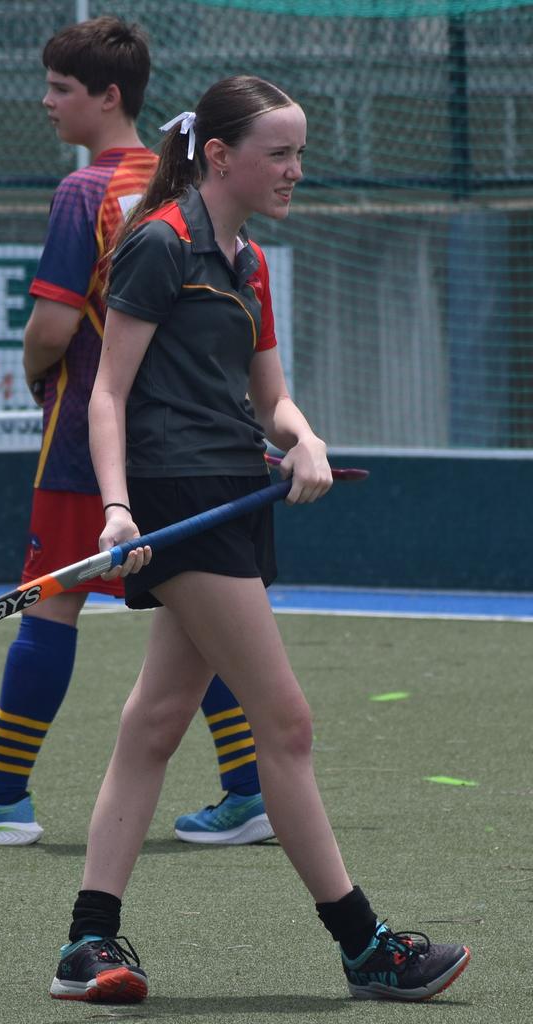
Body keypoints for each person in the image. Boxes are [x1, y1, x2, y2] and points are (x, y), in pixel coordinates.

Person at [48, 75, 471, 1003]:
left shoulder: (249, 261)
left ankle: (87, 947)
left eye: (300, 153)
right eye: (279, 153)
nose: (295, 170)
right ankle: (367, 947)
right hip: (174, 496)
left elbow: (268, 395)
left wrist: (304, 437)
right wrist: (117, 508)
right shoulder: (159, 243)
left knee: (154, 724)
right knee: (284, 722)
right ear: (220, 157)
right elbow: (107, 393)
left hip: (236, 494)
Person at [0, 17, 272, 846]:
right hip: (184, 442)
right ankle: (249, 787)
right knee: (194, 610)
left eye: (61, 89)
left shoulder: (85, 191)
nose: (47, 102)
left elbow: (54, 327)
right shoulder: (178, 187)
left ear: (108, 96)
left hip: (87, 439)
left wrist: (34, 377)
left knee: (50, 602)